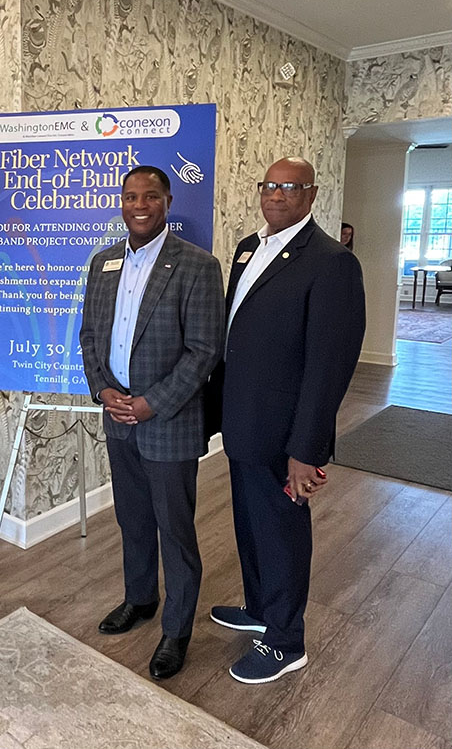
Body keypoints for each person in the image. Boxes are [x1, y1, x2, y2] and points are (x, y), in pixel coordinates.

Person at [209, 156, 365, 684]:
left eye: (290, 188)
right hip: (242, 421)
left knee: (281, 532)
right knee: (250, 525)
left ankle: (284, 640)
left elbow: (329, 366)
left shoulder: (330, 261)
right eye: (270, 185)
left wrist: (307, 449)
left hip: (284, 432)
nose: (277, 195)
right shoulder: (248, 247)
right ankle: (260, 610)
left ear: (311, 194)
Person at [80, 165, 224, 680]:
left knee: (174, 529)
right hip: (117, 415)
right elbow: (90, 335)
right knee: (133, 518)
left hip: (168, 420)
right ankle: (140, 599)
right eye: (129, 196)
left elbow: (204, 350)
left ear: (167, 201)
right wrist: (103, 390)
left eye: (149, 196)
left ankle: (177, 629)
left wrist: (150, 403)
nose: (138, 204)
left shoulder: (197, 266)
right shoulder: (102, 262)